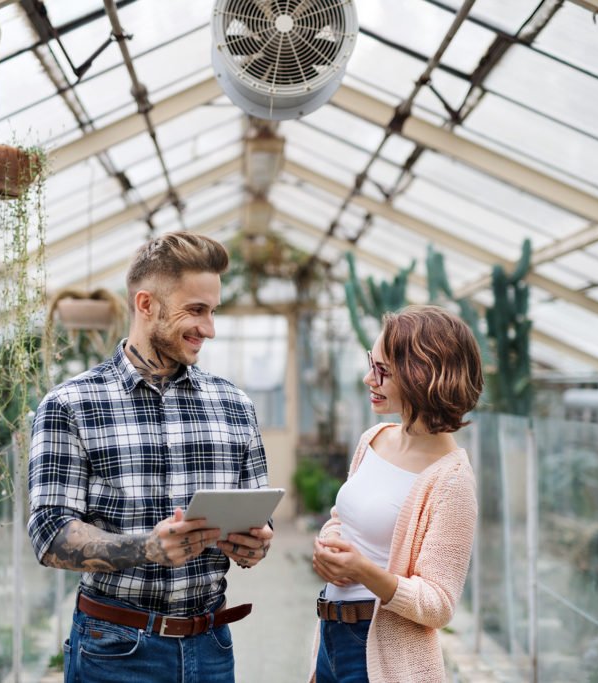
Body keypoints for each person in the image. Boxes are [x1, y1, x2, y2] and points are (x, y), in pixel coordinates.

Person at [28, 231, 274, 683]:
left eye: (212, 311)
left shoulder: (234, 404)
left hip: (211, 646)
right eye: (196, 310)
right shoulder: (70, 404)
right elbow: (49, 534)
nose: (210, 328)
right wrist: (147, 548)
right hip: (115, 651)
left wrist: (254, 543)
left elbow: (259, 512)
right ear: (146, 305)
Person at [309, 305, 483, 682]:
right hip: (330, 635)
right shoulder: (373, 440)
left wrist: (362, 572)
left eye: (382, 371)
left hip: (380, 655)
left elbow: (439, 604)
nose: (368, 378)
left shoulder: (452, 481)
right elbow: (344, 520)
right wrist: (329, 543)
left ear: (423, 377)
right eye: (372, 363)